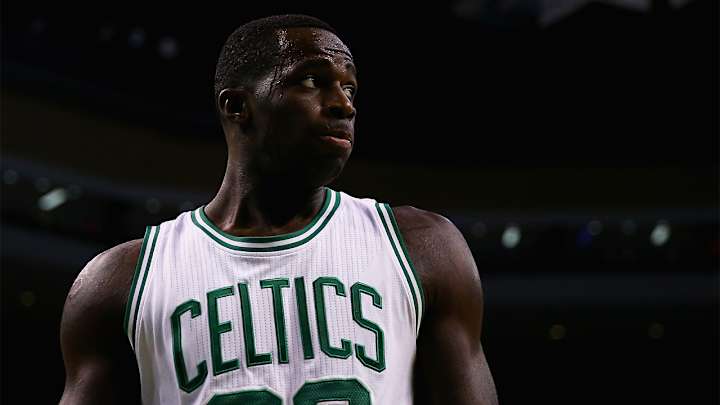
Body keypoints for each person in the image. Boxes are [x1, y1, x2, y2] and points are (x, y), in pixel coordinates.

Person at [59, 14, 498, 405]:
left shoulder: (421, 248)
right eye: (311, 81)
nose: (344, 104)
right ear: (237, 106)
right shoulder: (121, 281)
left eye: (349, 87)